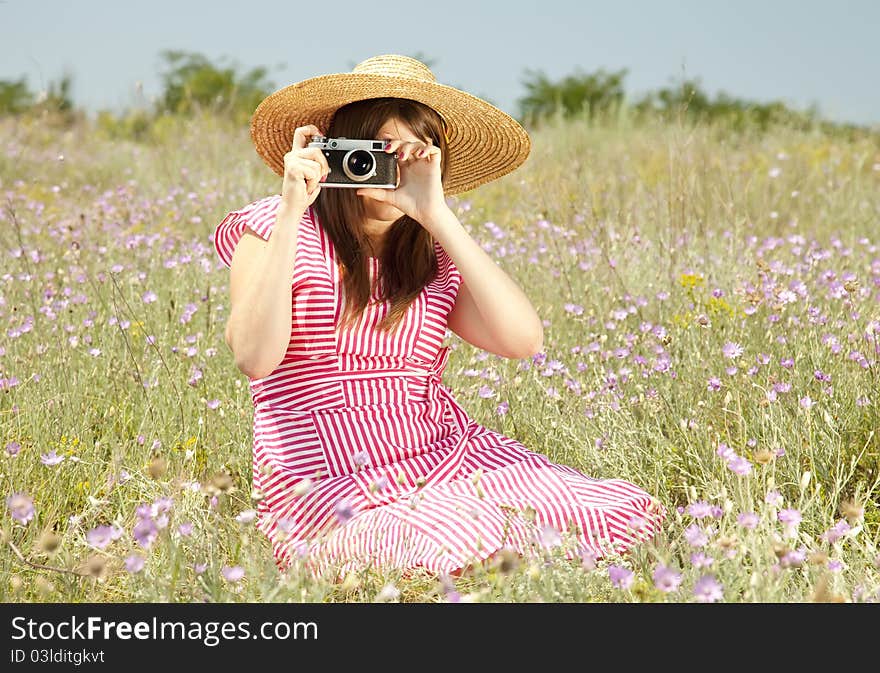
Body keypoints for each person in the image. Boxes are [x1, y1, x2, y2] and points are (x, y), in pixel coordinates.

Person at [213, 54, 666, 579]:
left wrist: (436, 213)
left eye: (406, 157)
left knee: (596, 507)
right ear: (338, 150)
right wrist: (294, 206)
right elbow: (253, 357)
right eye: (373, 152)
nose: (385, 170)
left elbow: (522, 340)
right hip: (324, 481)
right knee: (456, 536)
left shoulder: (429, 247)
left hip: (441, 455)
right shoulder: (274, 225)